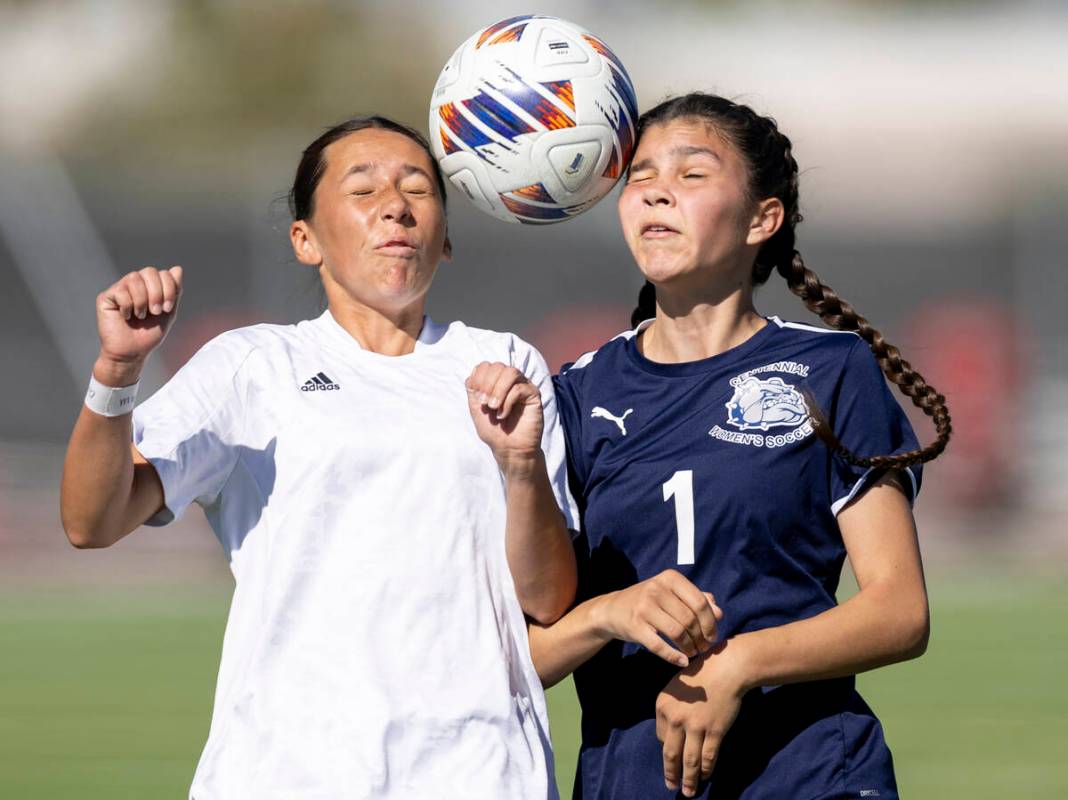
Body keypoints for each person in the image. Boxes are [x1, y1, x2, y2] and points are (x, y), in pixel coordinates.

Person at [59, 116, 579, 799]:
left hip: (479, 771)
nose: (395, 204)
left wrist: (519, 466)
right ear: (305, 239)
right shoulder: (254, 365)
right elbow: (91, 522)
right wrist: (118, 370)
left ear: (445, 238)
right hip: (287, 771)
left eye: (417, 188)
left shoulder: (508, 365)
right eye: (363, 188)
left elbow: (545, 603)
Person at [529, 93, 952, 799]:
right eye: (640, 177)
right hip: (631, 779)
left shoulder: (831, 370)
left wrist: (739, 663)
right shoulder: (569, 397)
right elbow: (527, 656)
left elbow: (900, 612)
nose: (657, 190)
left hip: (812, 773)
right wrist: (608, 613)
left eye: (692, 174)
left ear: (763, 218)